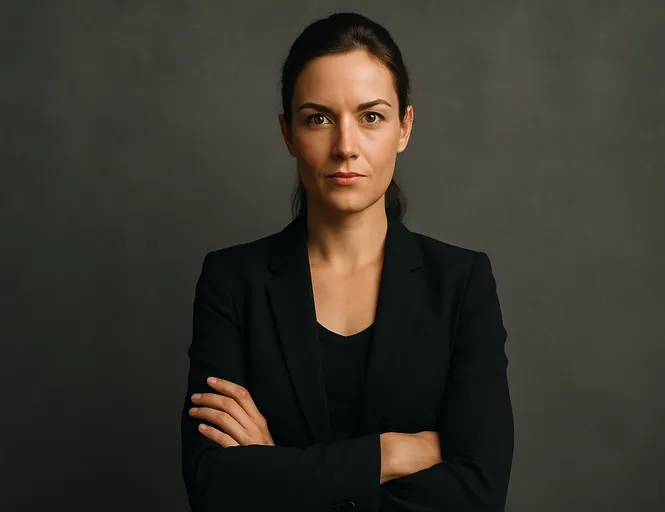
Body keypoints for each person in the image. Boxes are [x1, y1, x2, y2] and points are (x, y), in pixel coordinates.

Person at [180, 11, 514, 512]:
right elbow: (214, 487)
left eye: (370, 116)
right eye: (318, 118)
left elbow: (478, 493)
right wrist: (387, 454)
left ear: (404, 128)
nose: (345, 147)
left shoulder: (462, 283)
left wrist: (280, 471)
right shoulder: (232, 282)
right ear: (288, 133)